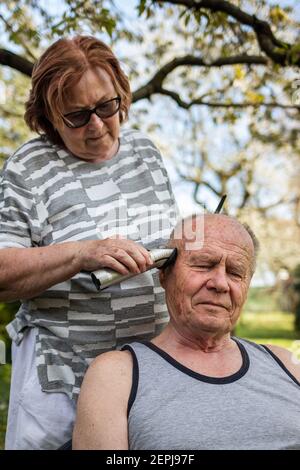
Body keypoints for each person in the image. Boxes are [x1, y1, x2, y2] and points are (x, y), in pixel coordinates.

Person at [0, 35, 177, 450]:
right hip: (62, 379)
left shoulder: (146, 153)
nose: (97, 125)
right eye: (77, 116)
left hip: (146, 371)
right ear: (49, 117)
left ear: (121, 93)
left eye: (106, 106)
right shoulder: (28, 168)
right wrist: (83, 253)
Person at [73, 214, 300, 450]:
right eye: (203, 265)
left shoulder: (285, 364)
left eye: (235, 272)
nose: (220, 283)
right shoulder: (117, 375)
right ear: (164, 274)